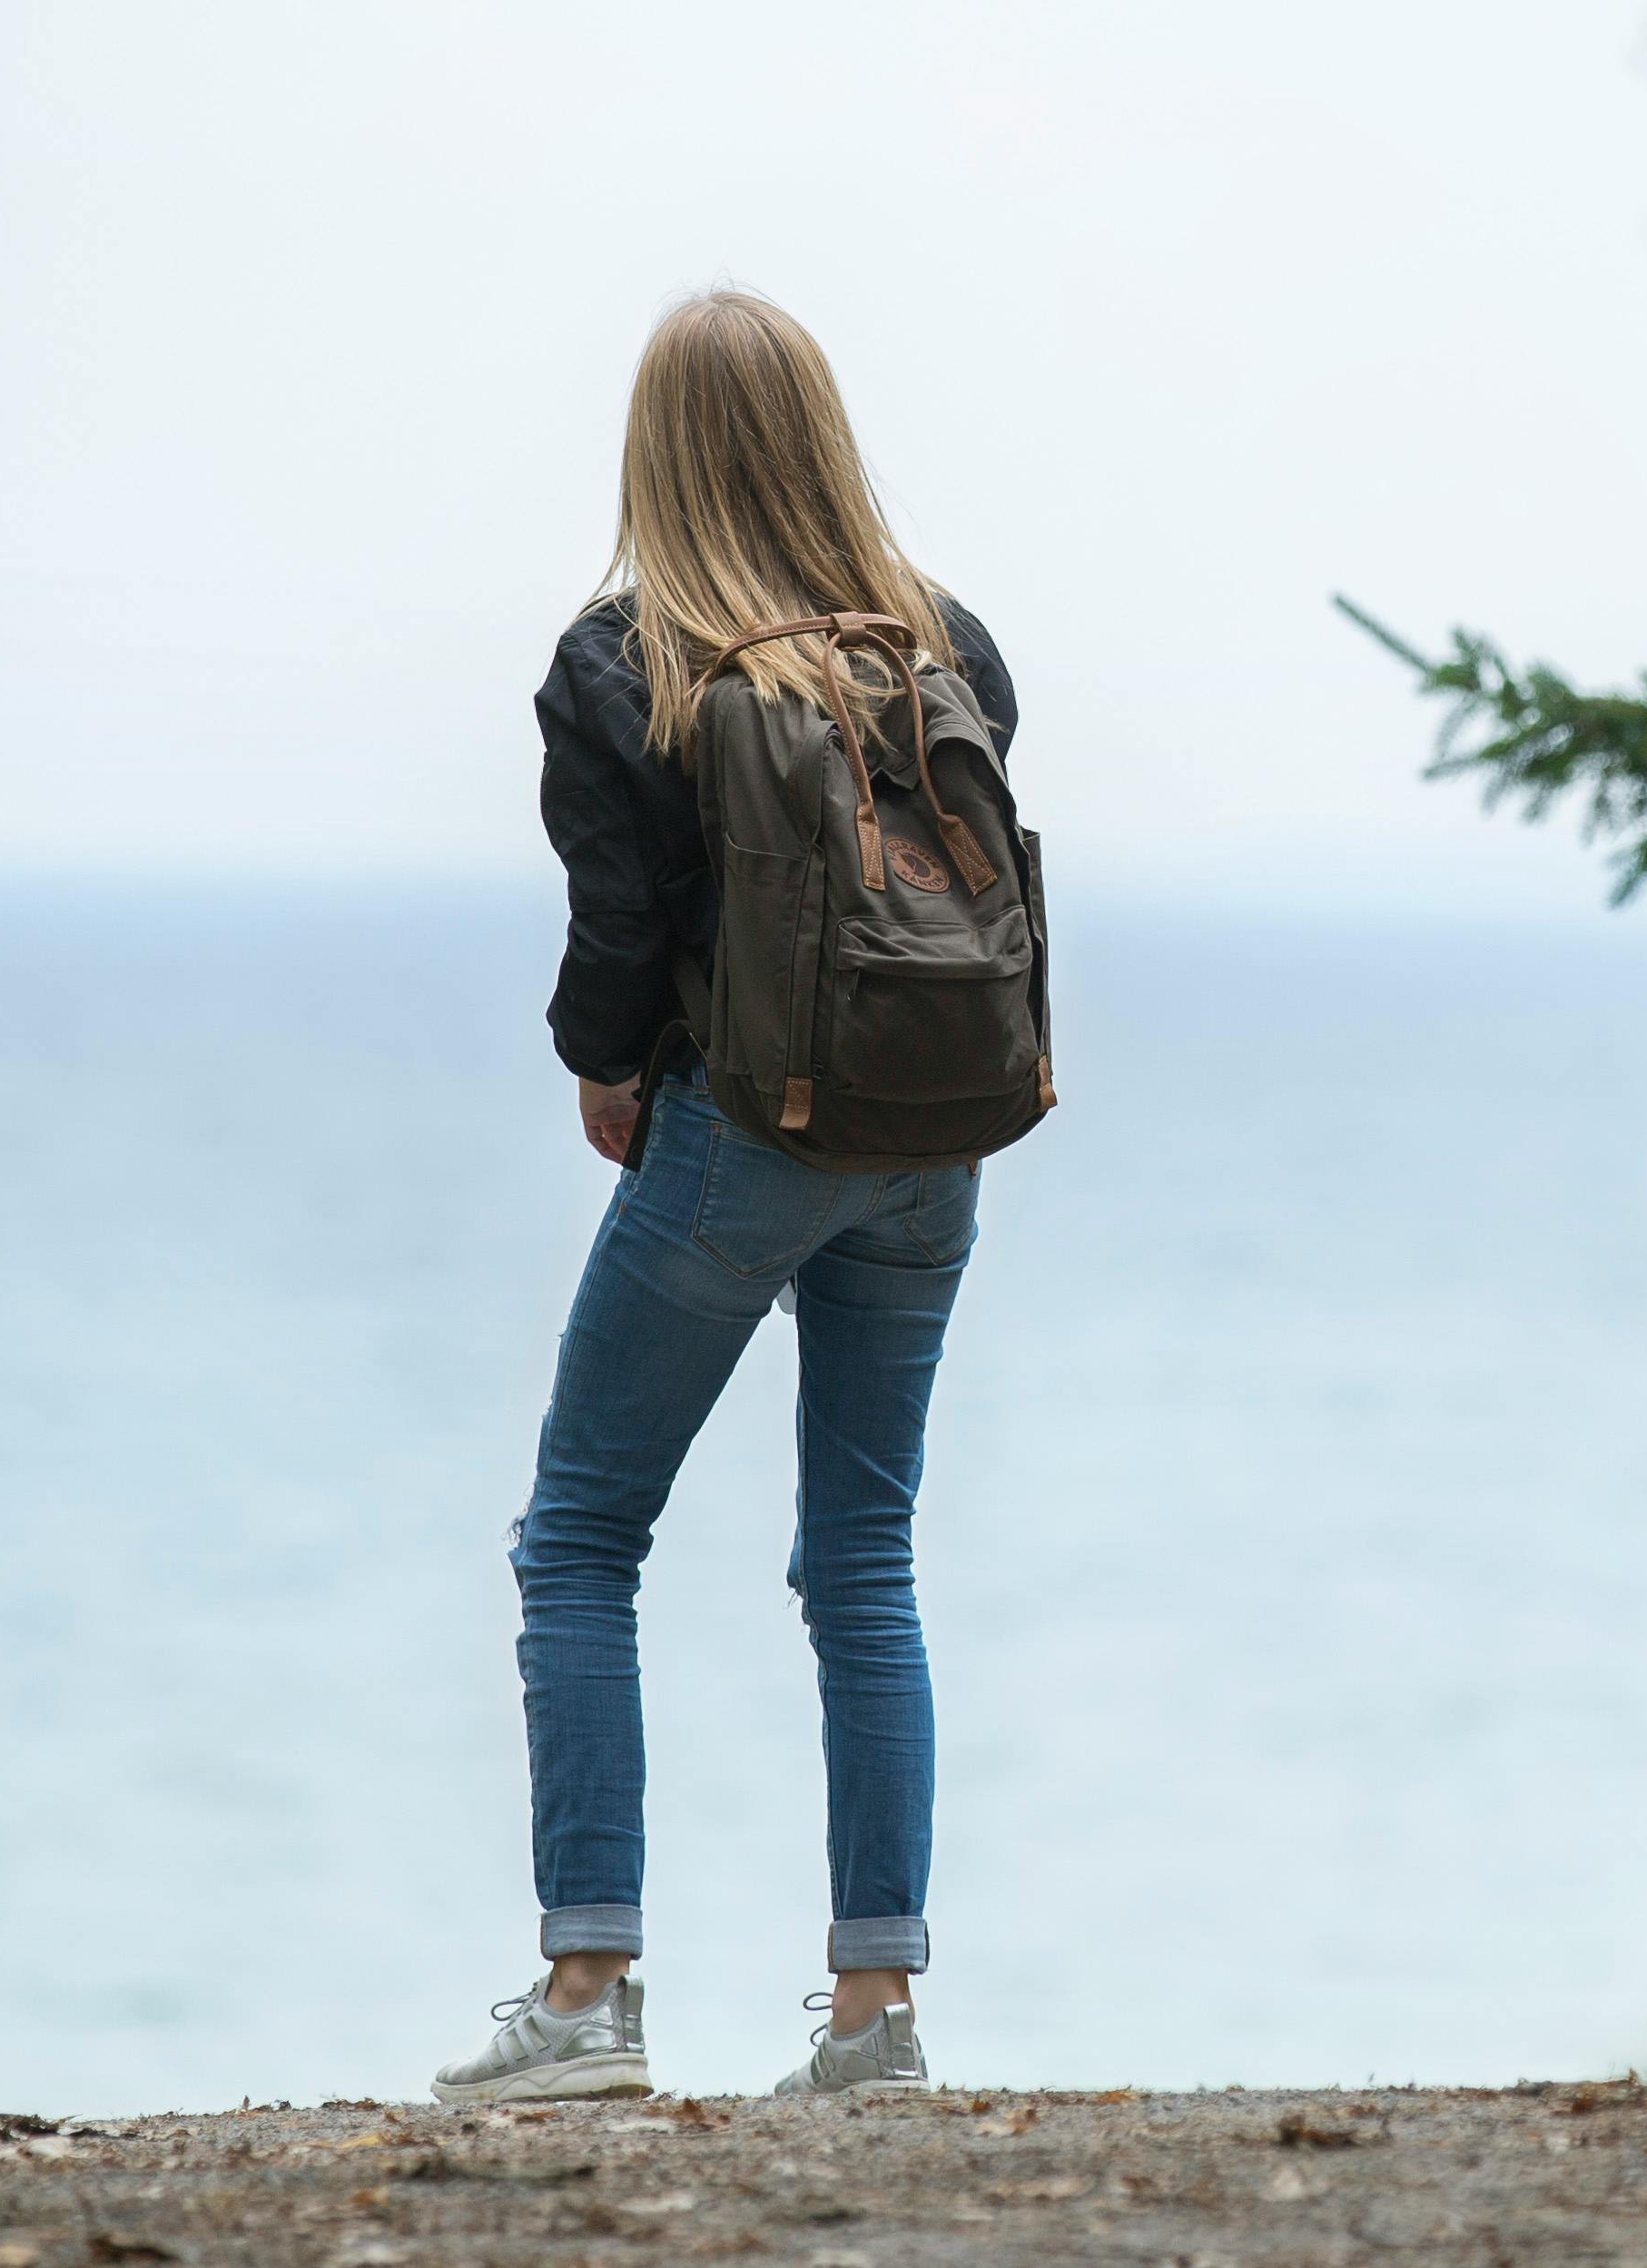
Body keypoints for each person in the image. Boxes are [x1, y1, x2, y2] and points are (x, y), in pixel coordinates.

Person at [434, 290, 1021, 2107]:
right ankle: (877, 2025)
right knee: (862, 1552)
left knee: (580, 1538)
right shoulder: (953, 642)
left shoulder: (631, 662)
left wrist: (603, 1069)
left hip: (737, 1143)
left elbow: (623, 934)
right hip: (930, 1149)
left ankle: (590, 1996)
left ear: (654, 451)